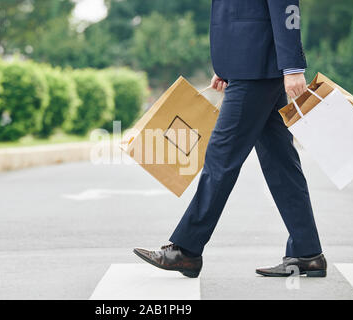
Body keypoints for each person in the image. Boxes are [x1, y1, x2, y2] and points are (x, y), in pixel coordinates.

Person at [133, 0, 327, 279]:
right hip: (248, 67)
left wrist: (293, 65)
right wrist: (226, 66)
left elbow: (287, 8)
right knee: (280, 163)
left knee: (221, 159)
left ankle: (186, 250)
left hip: (256, 71)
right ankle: (308, 253)